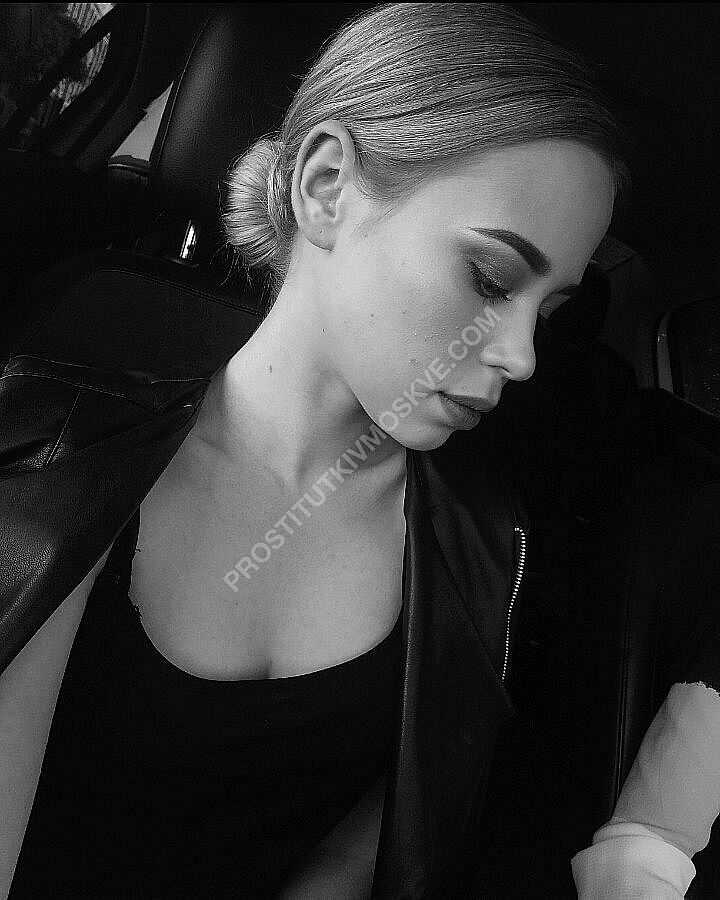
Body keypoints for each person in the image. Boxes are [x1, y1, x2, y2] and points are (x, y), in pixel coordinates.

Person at [0, 3, 630, 897]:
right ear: (327, 186)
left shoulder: (487, 559)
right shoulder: (53, 452)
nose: (523, 357)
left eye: (550, 311)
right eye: (492, 279)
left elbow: (366, 848)